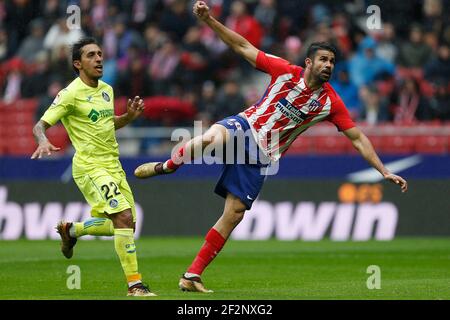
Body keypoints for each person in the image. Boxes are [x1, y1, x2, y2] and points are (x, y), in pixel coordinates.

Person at [134, 1, 408, 293]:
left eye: (332, 62)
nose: (328, 65)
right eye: (323, 60)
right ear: (309, 62)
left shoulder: (330, 102)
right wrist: (209, 21)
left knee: (234, 215)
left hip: (263, 156)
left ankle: (192, 276)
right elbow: (242, 46)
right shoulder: (284, 72)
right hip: (245, 127)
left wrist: (383, 170)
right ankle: (168, 166)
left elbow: (357, 138)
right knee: (210, 138)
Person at [31, 37, 155, 297]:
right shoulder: (69, 94)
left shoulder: (107, 90)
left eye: (99, 54)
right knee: (122, 216)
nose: (99, 59)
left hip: (113, 164)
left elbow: (106, 125)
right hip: (89, 165)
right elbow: (40, 125)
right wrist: (43, 141)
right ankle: (135, 285)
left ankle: (72, 230)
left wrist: (129, 117)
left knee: (126, 225)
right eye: (91, 55)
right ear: (78, 63)